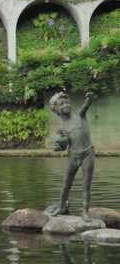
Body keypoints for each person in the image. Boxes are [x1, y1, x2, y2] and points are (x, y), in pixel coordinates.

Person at [49, 92, 95, 221]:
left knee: (86, 184)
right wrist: (57, 146)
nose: (66, 105)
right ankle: (62, 206)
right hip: (73, 156)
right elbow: (61, 147)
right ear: (56, 110)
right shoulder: (62, 129)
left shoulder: (80, 115)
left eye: (67, 102)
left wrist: (90, 98)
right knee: (66, 183)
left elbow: (86, 105)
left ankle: (85, 212)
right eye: (62, 103)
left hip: (87, 154)